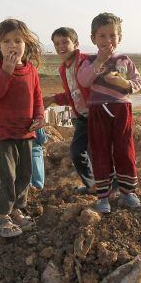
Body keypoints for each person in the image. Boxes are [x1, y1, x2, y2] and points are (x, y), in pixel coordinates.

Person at [0, 18, 44, 237]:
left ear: (26, 44)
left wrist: (39, 115)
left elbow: (37, 98)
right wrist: (5, 72)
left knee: (25, 174)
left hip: (25, 132)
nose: (12, 45)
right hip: (3, 133)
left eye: (18, 40)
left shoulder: (31, 71)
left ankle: (16, 210)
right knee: (6, 176)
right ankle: (0, 217)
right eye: (6, 41)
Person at [77, 12, 141, 214]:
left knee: (124, 148)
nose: (107, 40)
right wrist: (99, 62)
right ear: (93, 39)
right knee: (100, 150)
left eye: (112, 35)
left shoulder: (124, 60)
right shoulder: (89, 61)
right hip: (98, 110)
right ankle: (103, 196)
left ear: (119, 38)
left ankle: (127, 191)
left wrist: (124, 83)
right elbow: (84, 81)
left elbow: (137, 82)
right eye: (102, 36)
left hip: (122, 109)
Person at [42, 27, 95, 194]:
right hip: (81, 117)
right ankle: (92, 185)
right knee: (77, 151)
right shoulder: (63, 69)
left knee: (98, 152)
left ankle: (111, 187)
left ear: (76, 44)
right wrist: (53, 99)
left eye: (65, 42)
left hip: (97, 115)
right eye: (57, 44)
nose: (60, 46)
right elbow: (73, 94)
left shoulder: (87, 62)